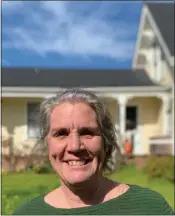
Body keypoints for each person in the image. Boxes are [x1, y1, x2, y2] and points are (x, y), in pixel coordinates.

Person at [13, 88, 174, 215]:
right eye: (61, 133)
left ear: (105, 141)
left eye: (87, 132)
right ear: (48, 145)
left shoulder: (150, 208)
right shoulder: (27, 214)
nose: (75, 146)